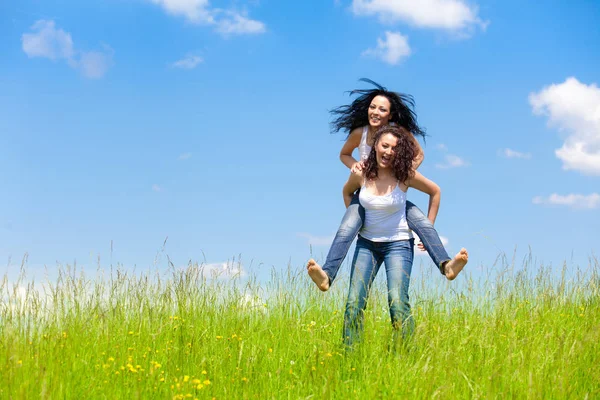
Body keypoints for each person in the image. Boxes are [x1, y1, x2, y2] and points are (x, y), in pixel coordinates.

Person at [307, 79, 464, 291]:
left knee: (423, 223)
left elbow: (419, 154)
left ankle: (447, 265)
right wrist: (354, 165)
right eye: (372, 107)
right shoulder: (359, 133)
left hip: (393, 194)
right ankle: (327, 275)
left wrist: (402, 173)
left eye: (382, 109)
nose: (375, 112)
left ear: (389, 115)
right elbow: (344, 154)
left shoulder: (396, 133)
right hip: (365, 195)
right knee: (345, 230)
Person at [339, 125, 468, 348]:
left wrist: (429, 225)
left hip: (398, 244)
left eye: (394, 149)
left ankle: (405, 354)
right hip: (366, 244)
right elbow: (346, 192)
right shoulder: (361, 173)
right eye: (384, 146)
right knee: (354, 302)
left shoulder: (404, 176)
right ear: (375, 146)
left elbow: (435, 191)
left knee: (397, 302)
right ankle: (350, 356)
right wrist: (356, 218)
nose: (388, 151)